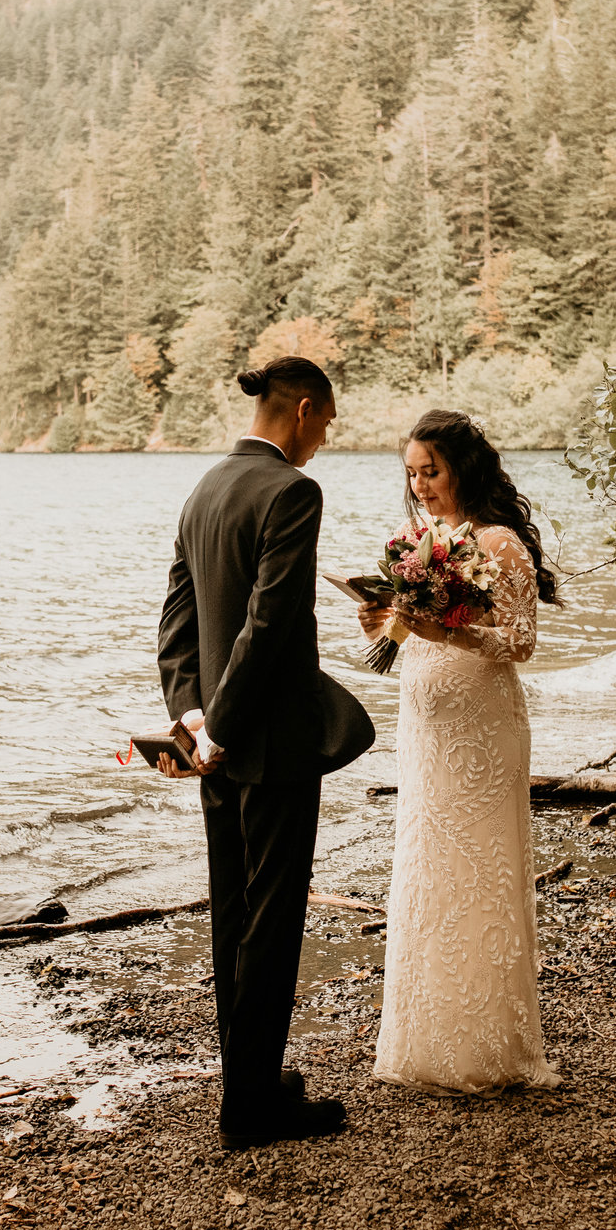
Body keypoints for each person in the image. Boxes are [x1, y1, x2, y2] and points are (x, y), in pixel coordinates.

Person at [156, 355, 376, 1149]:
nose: (326, 436)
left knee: (232, 916)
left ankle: (248, 1078)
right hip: (270, 743)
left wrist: (194, 720)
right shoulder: (293, 492)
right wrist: (222, 727)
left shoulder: (205, 488)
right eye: (329, 420)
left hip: (214, 748)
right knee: (272, 922)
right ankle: (252, 1110)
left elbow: (177, 625)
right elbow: (269, 623)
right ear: (306, 409)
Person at [359, 408, 563, 1094]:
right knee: (428, 865)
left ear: (461, 468)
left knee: (480, 867)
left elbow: (519, 641)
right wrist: (386, 621)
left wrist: (445, 635)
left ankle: (487, 1046)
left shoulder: (500, 543)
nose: (420, 485)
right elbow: (417, 627)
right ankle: (426, 1039)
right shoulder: (423, 542)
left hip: (481, 721)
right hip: (427, 722)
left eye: (431, 470)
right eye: (412, 473)